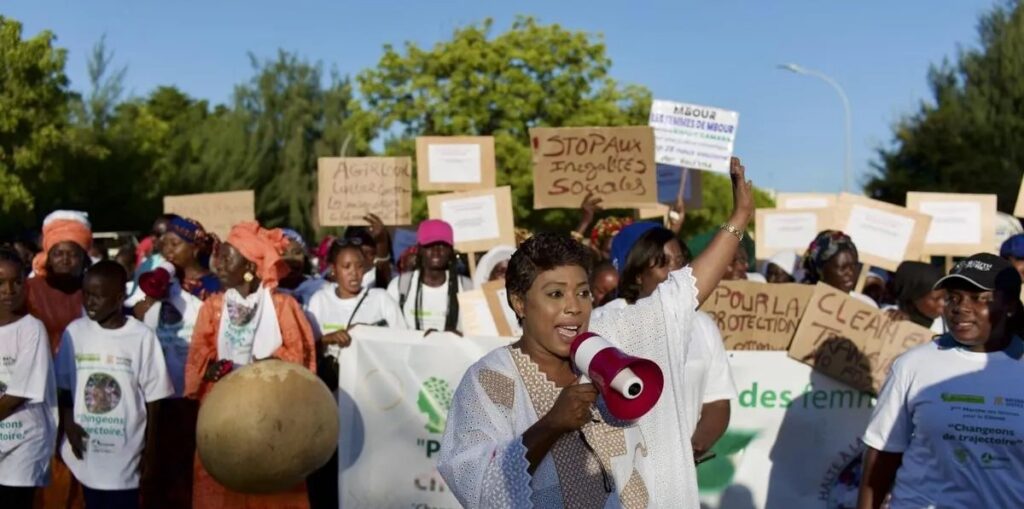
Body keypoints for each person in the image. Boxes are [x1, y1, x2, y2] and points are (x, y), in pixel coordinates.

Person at [437, 157, 754, 507]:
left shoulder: (610, 340)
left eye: (583, 292)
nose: (574, 306)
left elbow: (681, 296)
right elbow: (477, 486)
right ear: (520, 302)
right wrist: (551, 425)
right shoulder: (491, 380)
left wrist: (739, 217)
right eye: (555, 294)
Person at [858, 253, 1024, 508]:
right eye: (953, 298)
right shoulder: (913, 365)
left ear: (1010, 305)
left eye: (978, 298)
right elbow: (882, 456)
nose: (960, 307)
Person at [184, 221, 316, 509]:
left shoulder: (283, 307)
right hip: (224, 417)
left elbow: (301, 359)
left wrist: (269, 367)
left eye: (227, 257)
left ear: (249, 266)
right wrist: (211, 370)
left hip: (272, 418)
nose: (218, 264)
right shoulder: (213, 307)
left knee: (272, 487)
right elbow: (199, 359)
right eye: (219, 256)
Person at [600, 222, 736, 461]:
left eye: (681, 261)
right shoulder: (604, 322)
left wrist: (691, 450)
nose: (676, 271)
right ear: (638, 274)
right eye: (663, 263)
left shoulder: (703, 325)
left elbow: (717, 403)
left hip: (681, 471)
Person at [55, 261, 174, 509]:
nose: (89, 302)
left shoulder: (141, 336)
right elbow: (63, 388)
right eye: (86, 294)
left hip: (125, 452)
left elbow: (155, 399)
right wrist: (68, 424)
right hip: (86, 449)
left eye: (98, 296)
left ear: (119, 298)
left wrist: (151, 453)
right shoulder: (75, 332)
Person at [302, 237, 406, 509]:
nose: (354, 273)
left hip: (373, 405)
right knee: (330, 471)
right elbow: (304, 347)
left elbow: (403, 345)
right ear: (333, 270)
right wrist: (327, 339)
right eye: (346, 266)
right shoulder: (319, 302)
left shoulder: (381, 300)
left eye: (359, 266)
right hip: (331, 403)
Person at [132, 216, 220, 508]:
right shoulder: (162, 281)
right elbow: (137, 316)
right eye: (164, 244)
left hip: (195, 394)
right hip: (159, 392)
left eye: (174, 244)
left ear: (195, 248)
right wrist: (150, 296)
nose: (167, 250)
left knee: (189, 465)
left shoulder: (213, 285)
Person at [0, 249, 58, 508]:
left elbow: (18, 394)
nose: (9, 290)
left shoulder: (31, 329)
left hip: (24, 442)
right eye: (0, 282)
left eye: (16, 281)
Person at [387, 220, 471, 333]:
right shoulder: (399, 286)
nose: (436, 251)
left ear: (450, 251)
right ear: (419, 250)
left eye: (442, 245)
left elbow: (476, 332)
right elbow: (388, 333)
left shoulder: (467, 288)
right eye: (429, 245)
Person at [26, 210, 93, 353]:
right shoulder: (29, 289)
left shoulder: (94, 289)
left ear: (83, 258)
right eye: (58, 254)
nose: (65, 260)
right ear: (48, 258)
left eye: (73, 254)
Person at [801, 230, 877, 307]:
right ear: (822, 271)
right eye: (843, 268)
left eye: (854, 265)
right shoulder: (802, 303)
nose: (851, 273)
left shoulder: (866, 305)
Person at [887, 261, 946, 334]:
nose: (943, 303)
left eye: (945, 297)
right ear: (914, 297)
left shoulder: (948, 328)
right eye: (936, 299)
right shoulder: (887, 315)